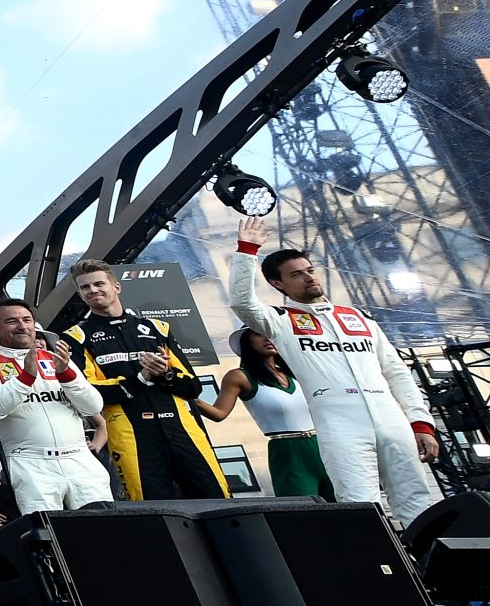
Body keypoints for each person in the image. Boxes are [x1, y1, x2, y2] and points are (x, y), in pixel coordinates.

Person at [227, 214, 439, 520]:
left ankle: (428, 566)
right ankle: (378, 568)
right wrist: (247, 251)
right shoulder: (281, 322)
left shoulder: (358, 317)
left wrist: (420, 424)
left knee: (416, 499)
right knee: (360, 505)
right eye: (297, 274)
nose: (310, 277)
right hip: (341, 424)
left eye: (310, 270)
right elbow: (243, 303)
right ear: (278, 284)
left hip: (391, 419)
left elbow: (397, 372)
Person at [61, 259, 227, 500]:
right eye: (85, 287)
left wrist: (166, 375)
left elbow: (193, 386)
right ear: (80, 294)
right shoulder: (77, 336)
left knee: (216, 495)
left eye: (99, 284)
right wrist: (140, 378)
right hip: (130, 432)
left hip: (182, 427)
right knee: (152, 507)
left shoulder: (157, 327)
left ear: (116, 287)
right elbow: (89, 394)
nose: (93, 290)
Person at [0, 297, 111, 515]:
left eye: (27, 320)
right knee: (49, 534)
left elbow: (93, 405)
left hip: (79, 457)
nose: (22, 326)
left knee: (106, 527)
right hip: (32, 462)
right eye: (12, 321)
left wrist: (67, 375)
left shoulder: (58, 359)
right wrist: (25, 376)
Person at [193, 326, 333, 499]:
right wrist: (187, 396)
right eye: (259, 334)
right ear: (246, 341)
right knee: (304, 514)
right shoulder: (239, 376)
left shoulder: (295, 372)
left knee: (348, 508)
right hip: (288, 451)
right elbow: (218, 413)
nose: (268, 339)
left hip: (325, 445)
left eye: (271, 334)